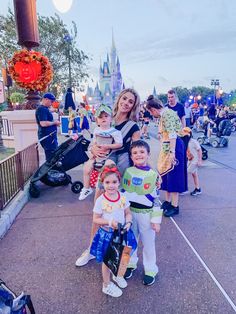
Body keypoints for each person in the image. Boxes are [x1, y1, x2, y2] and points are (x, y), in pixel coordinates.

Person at [75, 88, 140, 267]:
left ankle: (121, 258)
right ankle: (91, 249)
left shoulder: (132, 127)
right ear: (119, 98)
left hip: (122, 174)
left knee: (123, 218)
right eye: (124, 98)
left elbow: (138, 153)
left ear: (134, 106)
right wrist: (92, 150)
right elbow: (92, 146)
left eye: (130, 101)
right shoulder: (104, 117)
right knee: (99, 213)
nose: (126, 103)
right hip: (103, 176)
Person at [90, 164, 137, 297]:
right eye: (107, 182)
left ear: (119, 182)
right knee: (107, 260)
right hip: (107, 235)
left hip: (123, 233)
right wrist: (109, 222)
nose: (111, 185)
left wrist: (128, 222)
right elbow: (96, 219)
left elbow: (128, 213)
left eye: (114, 182)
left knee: (123, 257)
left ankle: (118, 275)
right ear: (102, 183)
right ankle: (106, 284)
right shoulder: (100, 200)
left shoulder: (122, 197)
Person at [122, 140, 162, 286]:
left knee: (148, 243)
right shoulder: (128, 172)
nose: (138, 155)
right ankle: (129, 263)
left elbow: (157, 200)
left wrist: (156, 221)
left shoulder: (153, 175)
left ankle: (151, 269)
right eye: (135, 153)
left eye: (141, 152)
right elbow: (122, 192)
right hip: (130, 213)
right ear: (131, 156)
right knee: (129, 241)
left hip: (146, 214)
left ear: (148, 154)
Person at [146, 95, 186, 217]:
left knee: (174, 175)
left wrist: (172, 152)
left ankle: (175, 205)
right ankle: (169, 202)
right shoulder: (166, 114)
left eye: (150, 112)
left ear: (153, 109)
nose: (152, 115)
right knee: (168, 174)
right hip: (169, 147)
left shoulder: (166, 114)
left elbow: (172, 134)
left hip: (173, 147)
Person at [78, 104, 123, 200]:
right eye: (100, 117)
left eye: (106, 116)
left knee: (108, 167)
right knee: (86, 168)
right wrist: (93, 149)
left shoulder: (114, 132)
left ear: (111, 119)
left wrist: (108, 146)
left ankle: (102, 185)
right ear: (97, 120)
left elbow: (119, 144)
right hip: (97, 156)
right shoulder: (96, 130)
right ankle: (86, 188)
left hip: (108, 156)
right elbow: (93, 142)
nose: (103, 119)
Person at [35, 93, 61, 161]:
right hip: (47, 137)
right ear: (46, 99)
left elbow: (49, 112)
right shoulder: (42, 109)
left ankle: (52, 170)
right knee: (51, 157)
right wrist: (54, 122)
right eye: (51, 101)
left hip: (50, 137)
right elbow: (43, 123)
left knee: (53, 155)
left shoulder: (44, 109)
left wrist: (55, 110)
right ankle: (50, 171)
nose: (52, 103)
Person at [182, 127, 202, 196]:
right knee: (194, 174)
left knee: (185, 173)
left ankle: (183, 189)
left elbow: (199, 150)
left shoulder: (193, 142)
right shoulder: (185, 142)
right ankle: (197, 188)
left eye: (186, 135)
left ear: (189, 134)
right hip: (190, 160)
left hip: (195, 161)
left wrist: (199, 160)